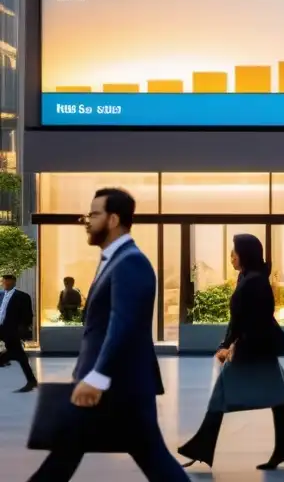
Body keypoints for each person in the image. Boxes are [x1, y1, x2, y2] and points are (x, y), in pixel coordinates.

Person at [28, 188, 190, 481]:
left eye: (94, 214)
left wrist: (97, 377)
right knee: (67, 455)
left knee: (145, 456)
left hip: (118, 385)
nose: (87, 221)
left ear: (113, 219)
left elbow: (123, 324)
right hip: (115, 384)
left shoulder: (130, 261)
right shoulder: (116, 260)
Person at [178, 233, 284, 471]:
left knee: (223, 395)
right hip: (256, 349)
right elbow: (239, 319)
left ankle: (202, 447)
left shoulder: (254, 281)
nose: (231, 256)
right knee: (277, 399)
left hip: (250, 350)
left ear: (246, 253)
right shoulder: (248, 277)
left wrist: (231, 345)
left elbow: (253, 320)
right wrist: (226, 343)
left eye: (234, 251)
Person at [0, 273, 37, 392]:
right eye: (3, 281)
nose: (5, 284)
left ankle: (31, 381)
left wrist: (21, 331)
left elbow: (28, 316)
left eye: (7, 282)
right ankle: (31, 381)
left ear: (14, 282)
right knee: (19, 355)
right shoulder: (1, 295)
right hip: (1, 328)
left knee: (18, 355)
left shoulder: (22, 296)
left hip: (12, 330)